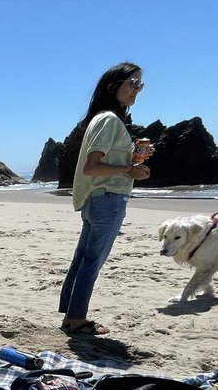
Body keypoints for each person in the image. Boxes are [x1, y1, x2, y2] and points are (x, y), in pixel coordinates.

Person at [58, 63, 153, 336]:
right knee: (91, 261)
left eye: (140, 85)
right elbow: (92, 166)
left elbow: (98, 164)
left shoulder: (102, 119)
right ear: (113, 87)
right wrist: (129, 169)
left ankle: (71, 314)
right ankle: (77, 319)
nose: (137, 90)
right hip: (108, 199)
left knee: (83, 259)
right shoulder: (109, 120)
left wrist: (133, 157)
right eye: (132, 83)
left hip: (96, 199)